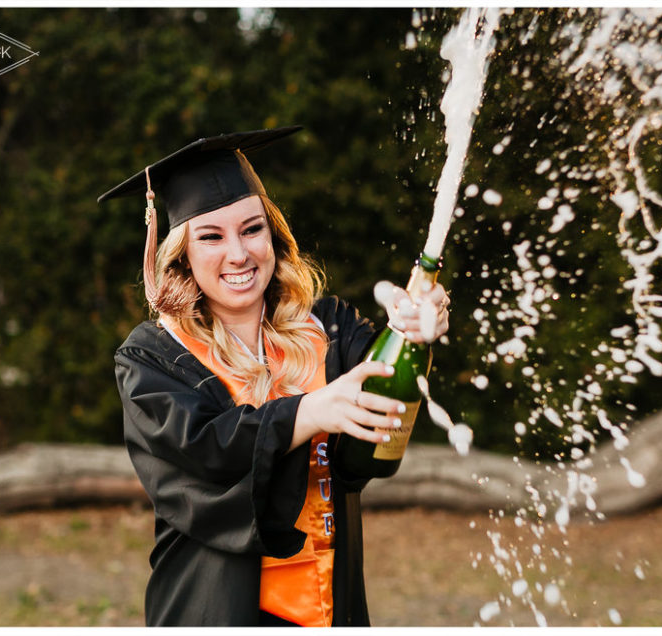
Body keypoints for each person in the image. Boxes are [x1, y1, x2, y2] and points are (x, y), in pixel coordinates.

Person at [98, 126, 450, 627]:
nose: (238, 254)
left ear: (274, 233)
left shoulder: (327, 328)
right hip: (216, 611)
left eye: (251, 229)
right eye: (211, 236)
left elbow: (377, 418)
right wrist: (308, 412)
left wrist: (414, 325)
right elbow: (206, 451)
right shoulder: (154, 358)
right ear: (182, 254)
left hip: (329, 605)